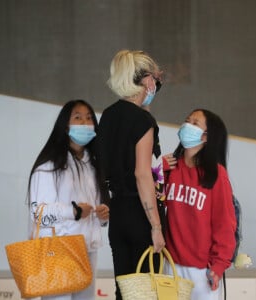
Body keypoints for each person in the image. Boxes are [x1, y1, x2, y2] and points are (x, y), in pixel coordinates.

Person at [96, 49, 166, 299]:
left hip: (118, 215)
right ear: (146, 79)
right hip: (140, 215)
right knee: (146, 292)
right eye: (155, 80)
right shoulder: (142, 121)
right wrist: (156, 227)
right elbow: (142, 175)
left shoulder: (108, 115)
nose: (156, 85)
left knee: (124, 291)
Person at [27, 99, 110, 300]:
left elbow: (99, 210)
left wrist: (103, 216)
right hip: (59, 250)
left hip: (87, 249)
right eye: (78, 118)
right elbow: (38, 214)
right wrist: (72, 211)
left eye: (89, 118)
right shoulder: (49, 166)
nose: (85, 123)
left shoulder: (93, 165)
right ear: (65, 126)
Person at [163, 109, 236, 300]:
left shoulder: (216, 175)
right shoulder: (169, 168)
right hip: (170, 265)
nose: (187, 125)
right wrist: (156, 172)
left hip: (203, 272)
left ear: (206, 136)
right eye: (187, 120)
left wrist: (219, 265)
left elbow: (225, 224)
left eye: (195, 123)